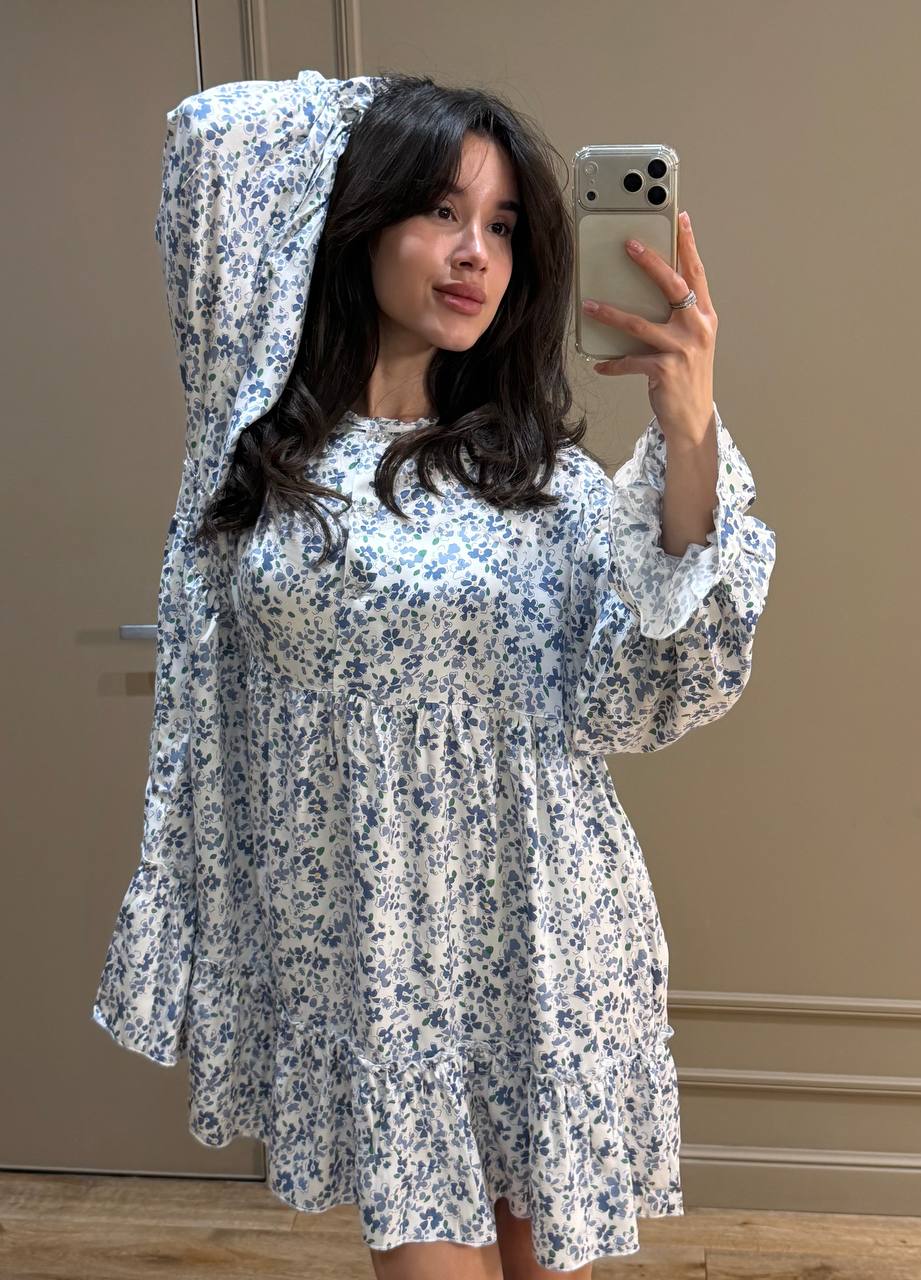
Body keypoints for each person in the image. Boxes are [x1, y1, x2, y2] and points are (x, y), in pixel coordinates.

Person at [92, 68, 777, 1280]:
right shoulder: (254, 445)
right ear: (357, 217)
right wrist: (389, 113)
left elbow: (650, 689)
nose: (475, 254)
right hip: (370, 953)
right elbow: (206, 137)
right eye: (439, 210)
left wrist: (686, 428)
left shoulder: (540, 481)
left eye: (503, 226)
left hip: (541, 937)